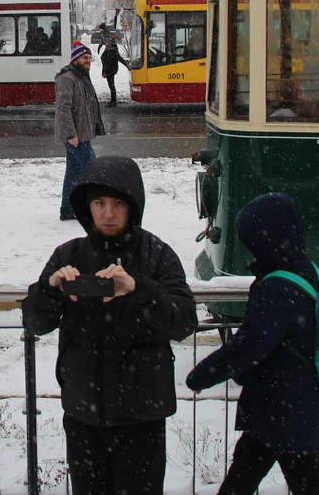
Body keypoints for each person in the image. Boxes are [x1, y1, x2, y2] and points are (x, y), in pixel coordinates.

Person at [22, 156, 198, 495]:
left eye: (118, 203)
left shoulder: (157, 254)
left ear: (133, 207)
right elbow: (34, 322)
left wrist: (138, 288)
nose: (108, 213)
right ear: (87, 207)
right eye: (99, 203)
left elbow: (183, 321)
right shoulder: (68, 255)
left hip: (142, 418)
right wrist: (50, 290)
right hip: (82, 417)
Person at [186, 193, 319, 495]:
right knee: (249, 475)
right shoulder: (304, 268)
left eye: (251, 240)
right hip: (292, 400)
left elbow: (247, 347)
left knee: (303, 478)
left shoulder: (278, 287)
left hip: (281, 405)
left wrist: (201, 375)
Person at [55, 41, 105, 221]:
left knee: (73, 173)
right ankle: (99, 209)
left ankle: (67, 210)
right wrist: (70, 134)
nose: (88, 61)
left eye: (90, 58)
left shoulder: (82, 77)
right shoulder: (67, 78)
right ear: (76, 58)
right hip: (75, 136)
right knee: (94, 171)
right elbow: (63, 108)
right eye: (85, 58)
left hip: (82, 134)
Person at [99, 35, 128, 108]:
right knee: (111, 86)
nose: (106, 43)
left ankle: (113, 101)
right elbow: (105, 61)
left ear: (110, 43)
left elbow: (117, 60)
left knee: (111, 86)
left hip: (110, 71)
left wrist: (127, 66)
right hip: (109, 70)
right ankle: (113, 101)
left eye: (107, 42)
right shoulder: (109, 50)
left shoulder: (112, 51)